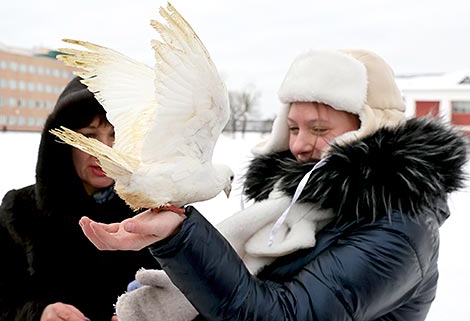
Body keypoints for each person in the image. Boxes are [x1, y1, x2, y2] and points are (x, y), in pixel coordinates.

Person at [77, 49, 467, 321]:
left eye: (318, 129)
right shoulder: (291, 205)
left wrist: (184, 239)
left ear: (369, 129)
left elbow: (280, 314)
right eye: (293, 127)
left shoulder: (398, 230)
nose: (298, 144)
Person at [0, 77, 156, 321]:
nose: (104, 151)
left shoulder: (155, 211)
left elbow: (192, 293)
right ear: (63, 142)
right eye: (89, 137)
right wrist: (39, 314)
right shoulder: (20, 211)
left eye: (115, 135)